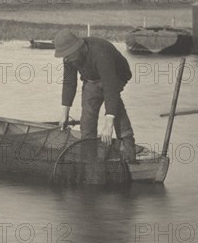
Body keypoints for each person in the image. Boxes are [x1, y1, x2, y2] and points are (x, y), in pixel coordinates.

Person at [55, 31, 138, 162]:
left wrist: (108, 123)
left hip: (117, 75)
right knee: (87, 118)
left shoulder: (100, 53)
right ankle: (89, 157)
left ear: (79, 48)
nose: (65, 59)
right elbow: (69, 82)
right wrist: (65, 113)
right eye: (64, 56)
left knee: (114, 106)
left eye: (68, 56)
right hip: (92, 79)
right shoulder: (69, 57)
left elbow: (110, 87)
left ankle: (129, 150)